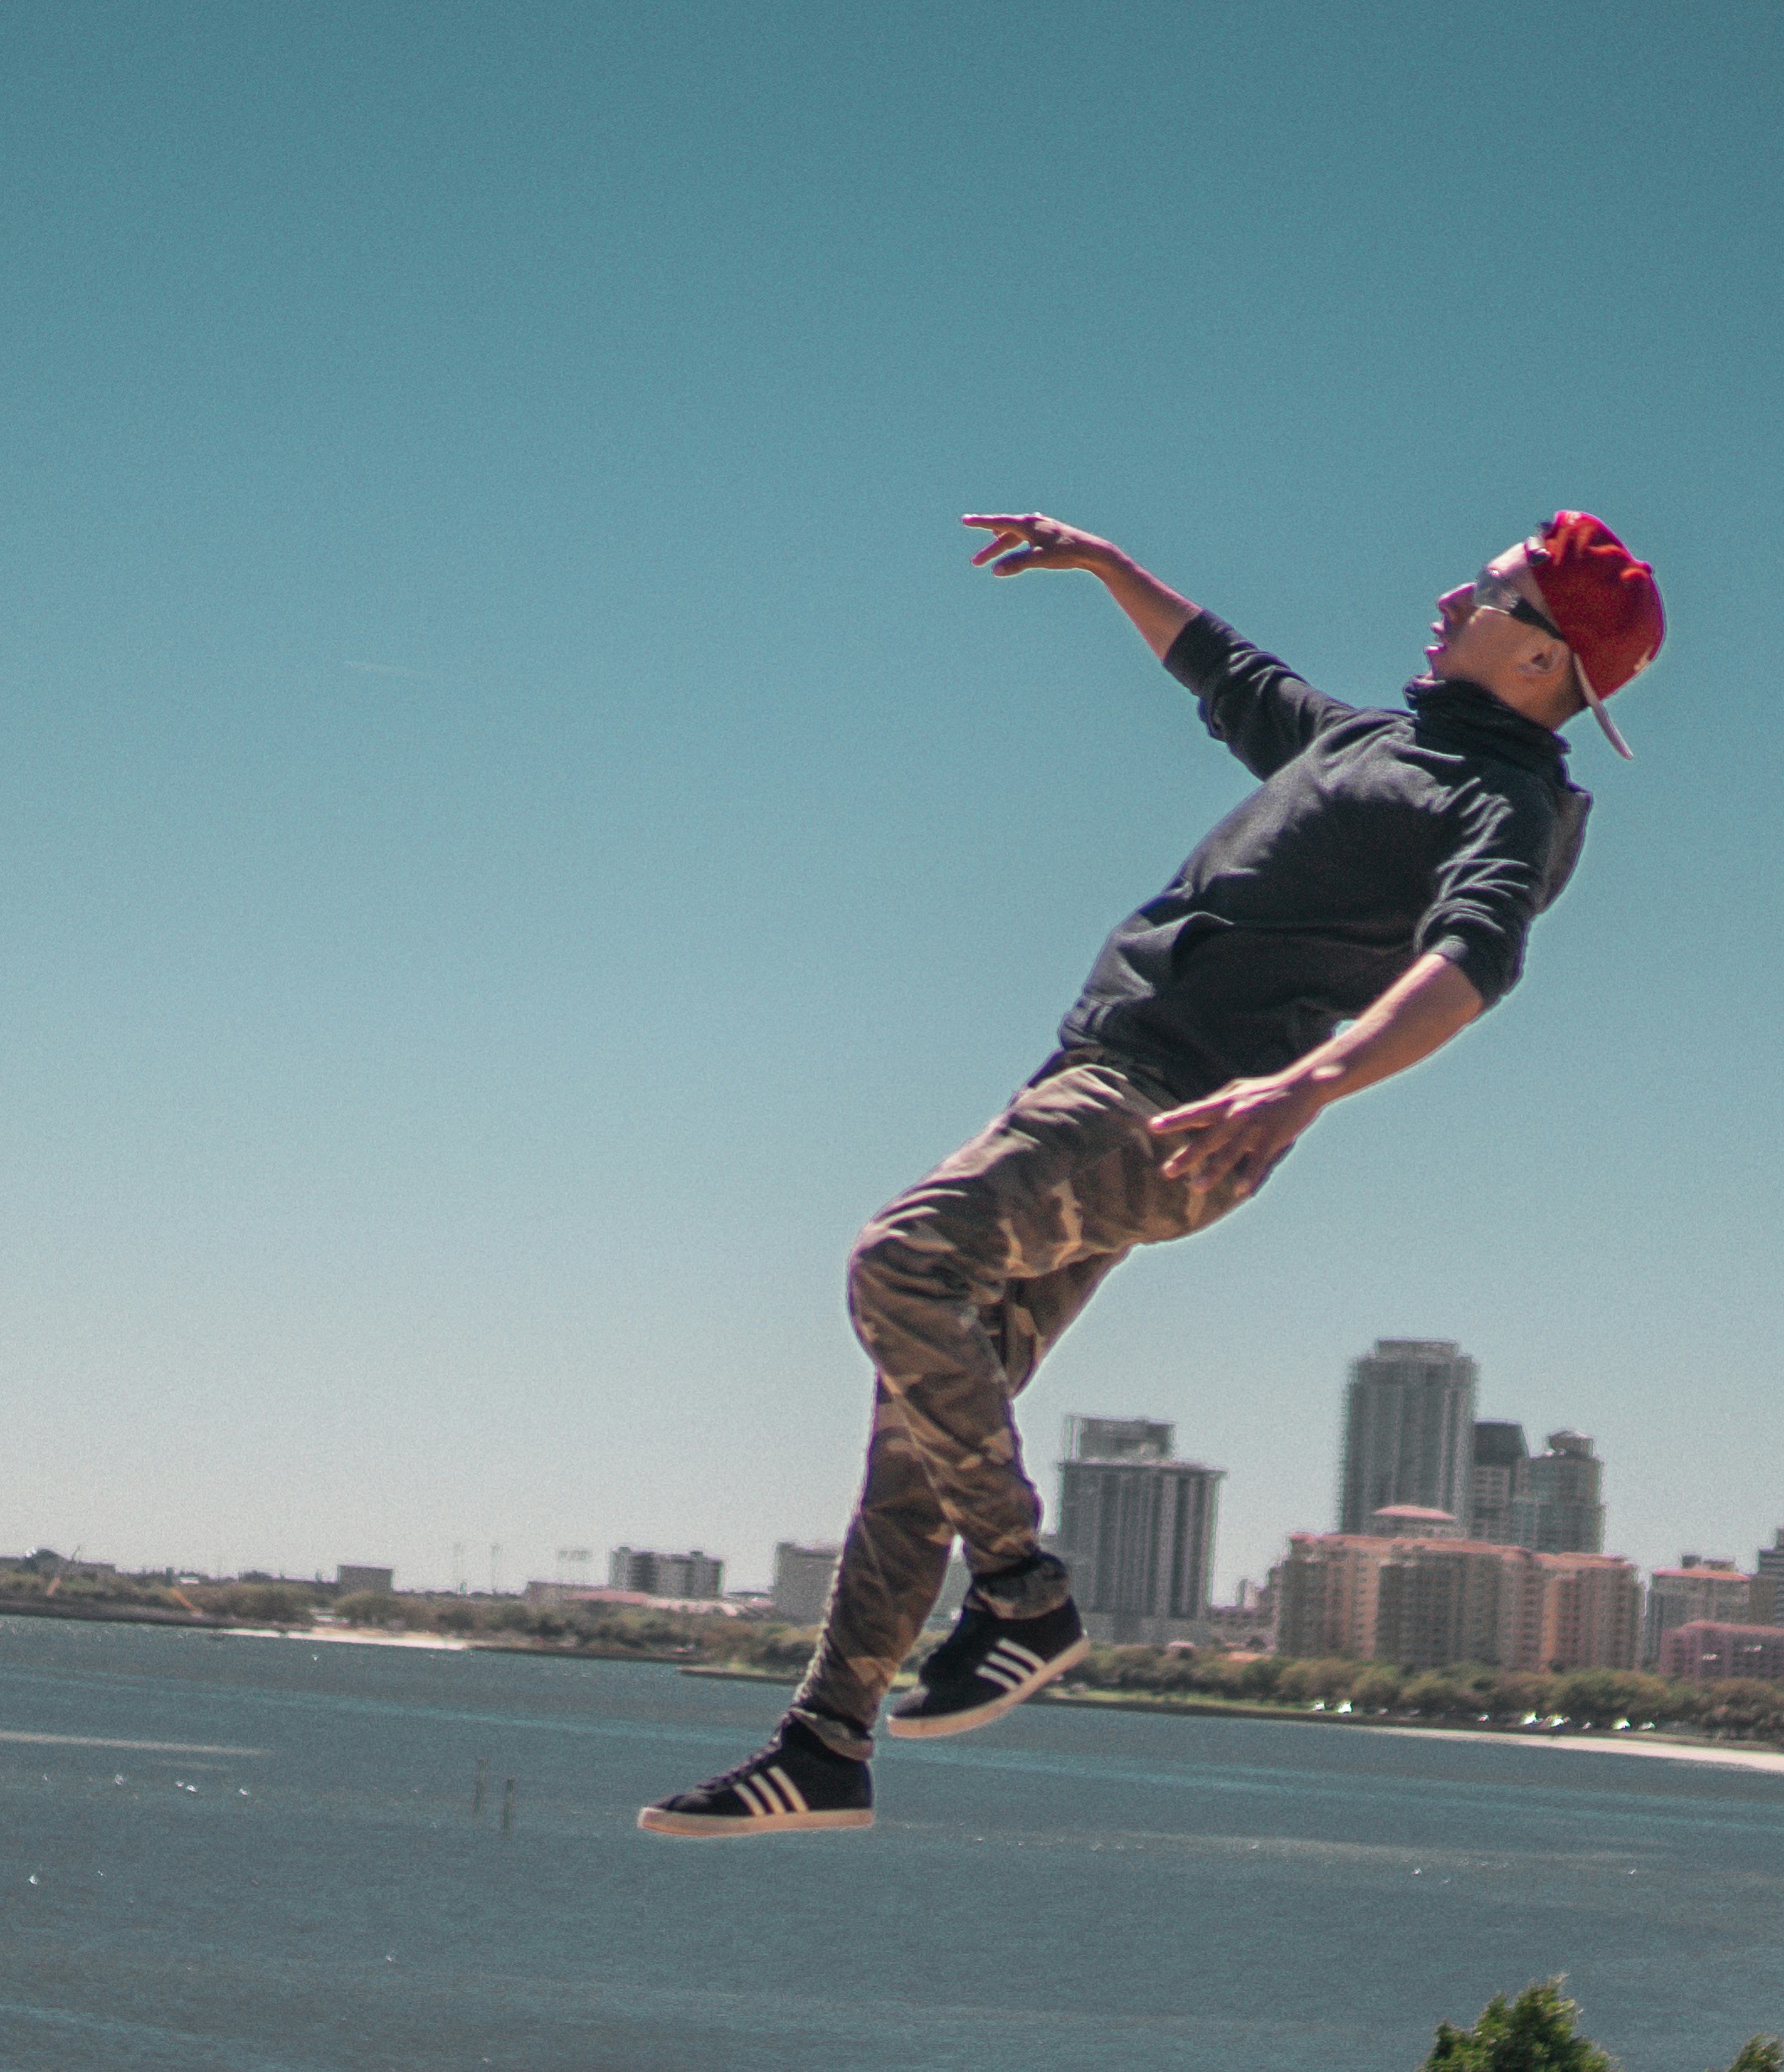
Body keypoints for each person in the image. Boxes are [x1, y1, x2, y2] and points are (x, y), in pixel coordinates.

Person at [639, 508, 1665, 1837]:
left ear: (1542, 659)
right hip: (1104, 1088)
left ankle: (1021, 1593)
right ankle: (827, 1740)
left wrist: (1310, 1081)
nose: (1445, 594)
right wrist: (1110, 568)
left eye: (1485, 589)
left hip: (1171, 1110)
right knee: (929, 1412)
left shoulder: (1501, 800)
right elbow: (1234, 676)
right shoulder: (1375, 741)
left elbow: (1474, 959)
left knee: (900, 1261)